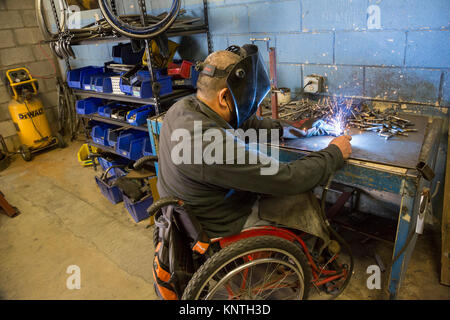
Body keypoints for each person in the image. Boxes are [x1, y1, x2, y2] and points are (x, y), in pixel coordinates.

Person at [156, 44, 352, 239]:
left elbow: (246, 124)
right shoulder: (212, 147)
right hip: (222, 224)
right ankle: (307, 253)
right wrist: (334, 153)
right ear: (224, 96)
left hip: (195, 213)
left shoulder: (183, 108)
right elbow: (289, 178)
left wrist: (298, 130)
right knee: (297, 197)